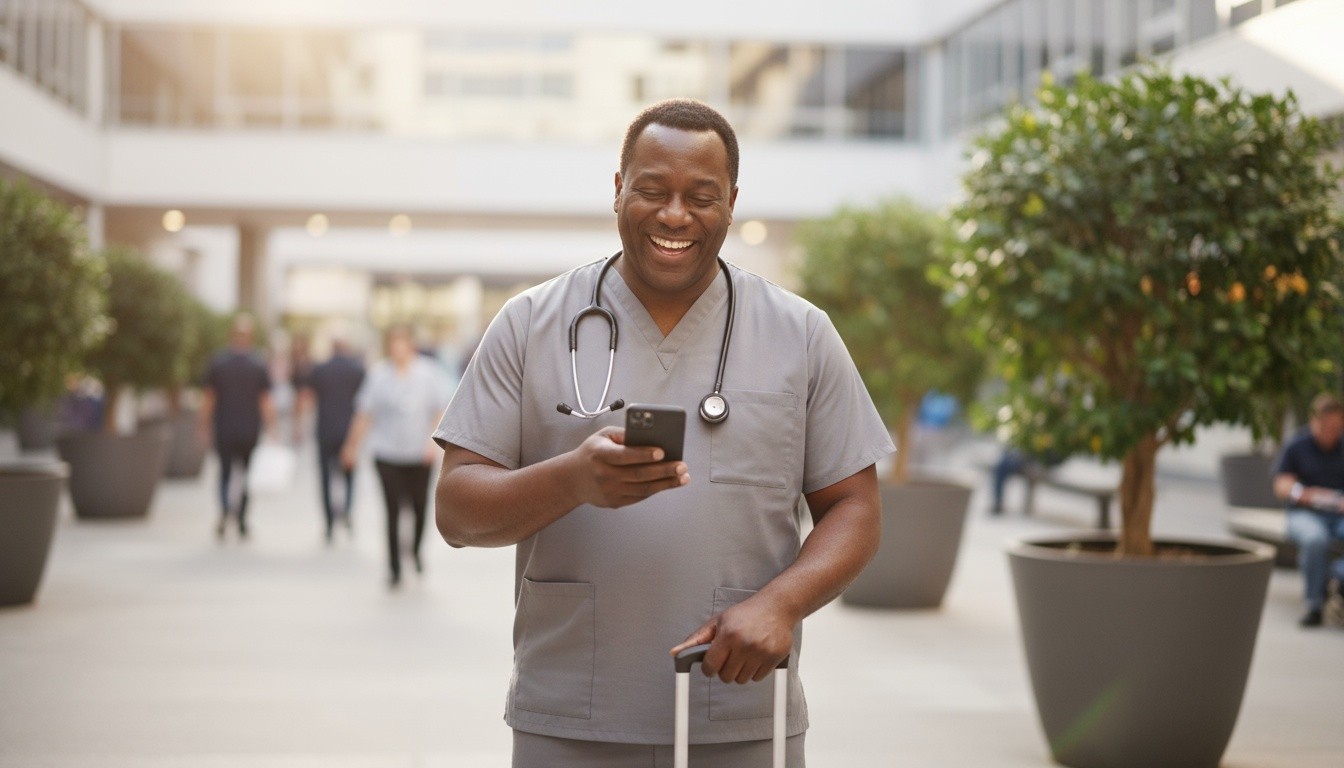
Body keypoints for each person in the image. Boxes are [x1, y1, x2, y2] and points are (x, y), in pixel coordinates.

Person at [432, 98, 893, 767]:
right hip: (570, 715)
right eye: (652, 190)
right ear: (618, 189)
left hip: (742, 712)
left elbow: (856, 508)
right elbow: (455, 512)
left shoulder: (801, 335)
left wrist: (783, 605)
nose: (675, 215)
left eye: (700, 196)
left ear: (732, 201)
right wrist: (572, 479)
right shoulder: (529, 324)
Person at [342, 325, 449, 586]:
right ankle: (394, 567)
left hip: (419, 454)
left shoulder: (428, 373)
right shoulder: (379, 374)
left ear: (410, 345)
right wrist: (352, 446)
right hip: (387, 452)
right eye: (393, 344)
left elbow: (439, 409)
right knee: (392, 510)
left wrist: (431, 444)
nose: (396, 349)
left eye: (401, 343)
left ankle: (414, 551)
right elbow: (365, 413)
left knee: (419, 508)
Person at [200, 314, 274, 540]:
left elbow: (208, 399)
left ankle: (224, 511)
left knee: (224, 474)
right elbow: (265, 402)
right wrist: (272, 428)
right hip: (249, 429)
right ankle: (241, 519)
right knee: (246, 476)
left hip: (225, 428)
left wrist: (203, 426)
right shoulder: (258, 364)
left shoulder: (219, 362)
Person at [1273, 392, 1344, 628]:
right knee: (1315, 539)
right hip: (1305, 512)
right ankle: (1314, 605)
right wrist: (1303, 494)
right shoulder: (1297, 445)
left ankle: (1337, 574)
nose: (1330, 432)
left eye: (1335, 427)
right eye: (1325, 426)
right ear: (1313, 421)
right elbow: (1281, 484)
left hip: (1339, 514)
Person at [300, 336, 365, 542]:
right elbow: (365, 406)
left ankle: (329, 522)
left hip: (325, 430)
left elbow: (307, 398)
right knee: (349, 476)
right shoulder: (357, 370)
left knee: (325, 478)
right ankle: (346, 511)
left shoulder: (320, 369)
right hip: (349, 432)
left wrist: (299, 425)